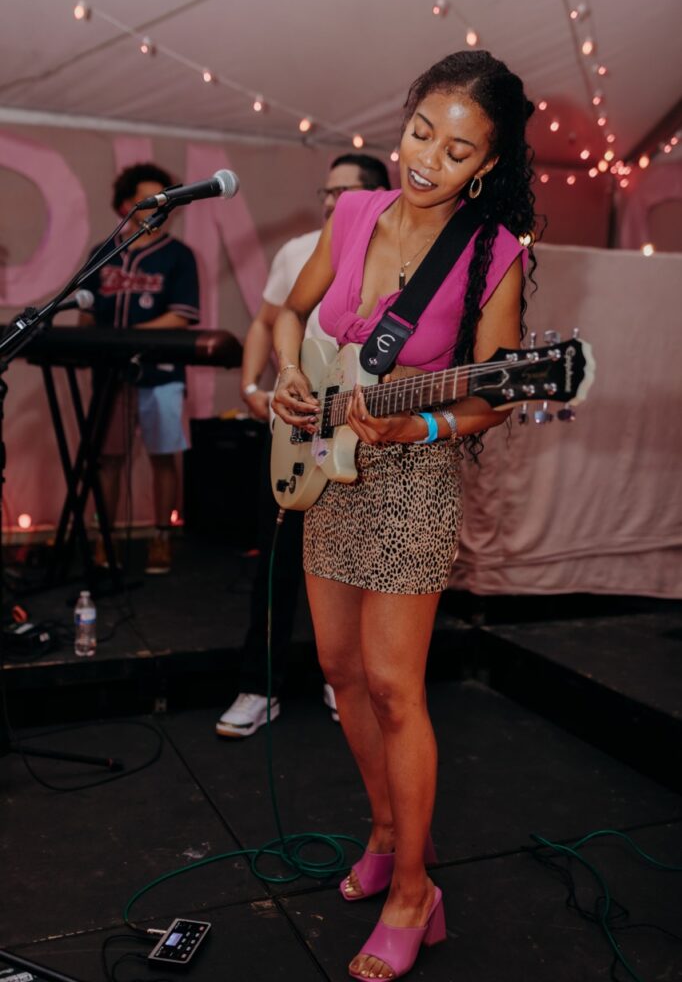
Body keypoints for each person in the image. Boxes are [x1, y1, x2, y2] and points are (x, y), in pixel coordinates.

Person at [272, 51, 537, 980]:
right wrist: (291, 374)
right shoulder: (352, 212)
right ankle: (385, 831)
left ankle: (416, 890)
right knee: (340, 673)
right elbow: (291, 314)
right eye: (422, 133)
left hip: (412, 478)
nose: (429, 159)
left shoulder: (494, 253)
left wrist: (419, 424)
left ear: (488, 166)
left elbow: (496, 395)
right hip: (328, 466)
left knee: (394, 687)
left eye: (458, 151)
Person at [215, 154, 391, 739]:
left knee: (354, 565)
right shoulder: (297, 251)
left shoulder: (394, 251)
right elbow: (267, 321)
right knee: (277, 563)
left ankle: (342, 680)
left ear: (375, 196)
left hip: (359, 427)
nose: (331, 201)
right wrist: (252, 388)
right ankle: (259, 686)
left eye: (345, 191)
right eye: (327, 190)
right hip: (297, 422)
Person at [80, 163, 200, 575]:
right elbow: (86, 312)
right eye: (146, 199)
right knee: (108, 459)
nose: (154, 206)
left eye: (161, 200)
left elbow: (181, 316)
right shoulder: (104, 252)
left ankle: (162, 537)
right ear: (126, 204)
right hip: (110, 375)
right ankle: (104, 539)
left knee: (163, 456)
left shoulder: (178, 256)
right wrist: (92, 343)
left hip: (160, 373)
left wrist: (126, 336)